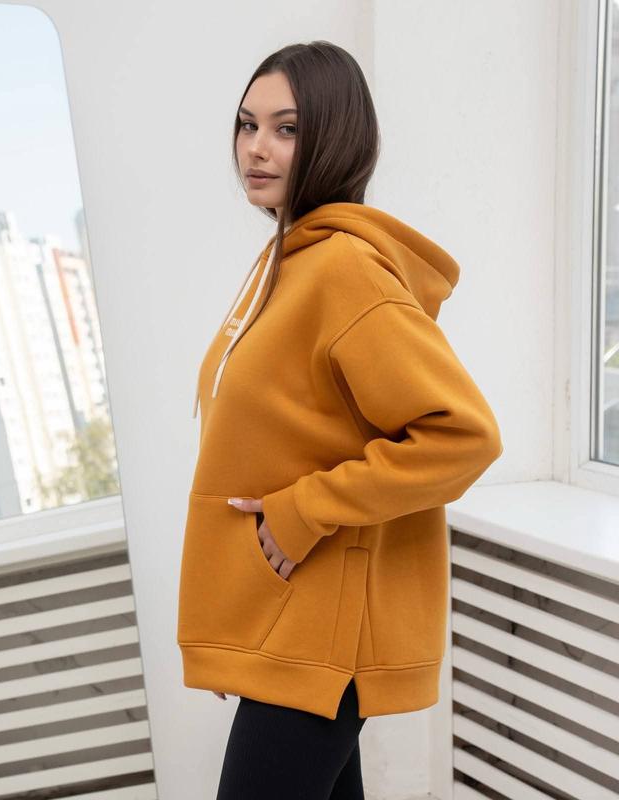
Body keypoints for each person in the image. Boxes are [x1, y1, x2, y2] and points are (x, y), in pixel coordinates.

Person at [176, 40, 503, 800]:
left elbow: (463, 436)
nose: (256, 148)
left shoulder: (344, 270)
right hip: (292, 614)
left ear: (336, 137)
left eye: (287, 129)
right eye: (247, 124)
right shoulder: (284, 263)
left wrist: (303, 512)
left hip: (325, 624)